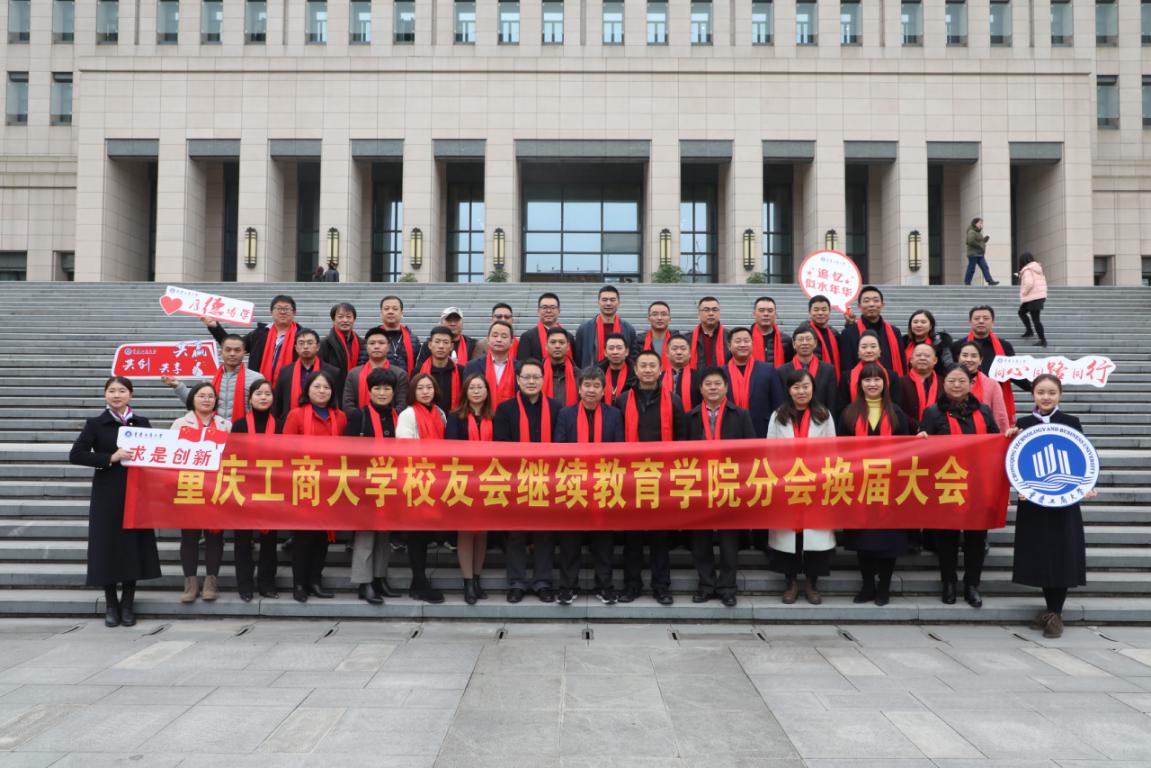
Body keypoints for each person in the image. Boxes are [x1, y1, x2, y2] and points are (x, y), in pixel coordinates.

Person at [70, 376, 161, 628]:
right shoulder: (96, 424)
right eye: (111, 391)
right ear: (105, 395)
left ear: (131, 394)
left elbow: (156, 454)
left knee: (133, 547)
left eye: (122, 390)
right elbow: (76, 454)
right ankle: (111, 604)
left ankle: (128, 604)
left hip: (136, 493)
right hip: (107, 494)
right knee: (107, 548)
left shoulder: (141, 423)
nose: (117, 395)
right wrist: (111, 457)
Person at [1007, 374, 1089, 638]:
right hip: (1033, 501)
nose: (1046, 397)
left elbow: (1082, 458)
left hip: (1063, 500)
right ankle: (1050, 609)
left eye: (1051, 392)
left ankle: (1055, 613)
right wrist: (1009, 439)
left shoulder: (1070, 422)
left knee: (1061, 553)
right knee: (1042, 553)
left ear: (1060, 395)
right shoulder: (1023, 424)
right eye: (1041, 392)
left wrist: (1085, 485)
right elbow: (1015, 461)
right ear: (1033, 394)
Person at [917, 364, 1001, 607]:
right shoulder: (933, 413)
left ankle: (972, 584)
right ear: (944, 384)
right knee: (947, 538)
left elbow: (996, 442)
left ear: (970, 384)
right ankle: (949, 583)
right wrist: (921, 438)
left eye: (961, 381)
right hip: (946, 482)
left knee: (976, 538)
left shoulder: (984, 411)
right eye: (951, 381)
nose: (956, 385)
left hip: (978, 484)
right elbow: (923, 448)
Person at [615, 350, 687, 605]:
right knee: (632, 536)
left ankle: (661, 586)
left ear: (660, 370)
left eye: (652, 366)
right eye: (643, 365)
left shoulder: (674, 401)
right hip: (630, 477)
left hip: (662, 478)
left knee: (660, 537)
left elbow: (681, 439)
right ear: (635, 370)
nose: (647, 370)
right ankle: (631, 585)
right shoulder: (623, 400)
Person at [838, 363, 913, 606]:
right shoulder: (849, 413)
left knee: (888, 539)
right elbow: (840, 450)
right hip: (859, 485)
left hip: (890, 486)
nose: (872, 384)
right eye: (867, 380)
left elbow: (906, 448)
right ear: (860, 384)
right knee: (864, 539)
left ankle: (884, 586)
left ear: (884, 383)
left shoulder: (896, 412)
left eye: (877, 380)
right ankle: (868, 584)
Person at [766, 368, 838, 605]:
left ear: (813, 389)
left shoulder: (824, 415)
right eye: (796, 387)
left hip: (815, 483)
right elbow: (770, 451)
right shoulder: (778, 415)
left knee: (814, 537)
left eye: (806, 387)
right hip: (787, 483)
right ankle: (791, 583)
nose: (801, 391)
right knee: (790, 537)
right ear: (789, 390)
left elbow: (832, 450)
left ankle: (811, 583)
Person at [554, 367, 624, 605]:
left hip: (604, 484)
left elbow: (619, 449)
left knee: (603, 540)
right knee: (570, 540)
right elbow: (559, 447)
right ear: (579, 388)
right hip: (574, 483)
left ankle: (604, 586)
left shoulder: (614, 415)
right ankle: (567, 586)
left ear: (603, 390)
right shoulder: (566, 414)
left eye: (596, 386)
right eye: (587, 385)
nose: (591, 390)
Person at [495, 359, 563, 603]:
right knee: (516, 533)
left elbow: (561, 444)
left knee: (545, 532)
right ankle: (517, 583)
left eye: (536, 377)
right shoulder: (505, 409)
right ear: (518, 379)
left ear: (543, 379)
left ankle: (543, 582)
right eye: (527, 377)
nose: (532, 381)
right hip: (516, 480)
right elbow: (501, 445)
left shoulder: (556, 408)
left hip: (547, 479)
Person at [688, 367, 756, 607]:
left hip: (730, 483)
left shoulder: (741, 415)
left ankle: (727, 587)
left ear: (726, 387)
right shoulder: (691, 416)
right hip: (699, 485)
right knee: (701, 539)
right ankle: (706, 585)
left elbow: (751, 451)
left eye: (718, 383)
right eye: (708, 384)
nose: (713, 388)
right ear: (701, 389)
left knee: (729, 540)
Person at [281, 370, 347, 602]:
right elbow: (286, 450)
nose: (321, 391)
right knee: (303, 537)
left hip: (330, 485)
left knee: (322, 537)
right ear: (307, 389)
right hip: (304, 483)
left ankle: (315, 581)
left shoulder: (340, 417)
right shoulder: (296, 415)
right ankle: (299, 583)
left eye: (326, 387)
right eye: (317, 386)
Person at [344, 367, 403, 605]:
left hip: (390, 484)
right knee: (366, 536)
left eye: (387, 388)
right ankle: (364, 582)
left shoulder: (398, 416)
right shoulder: (359, 416)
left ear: (393, 392)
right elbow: (348, 452)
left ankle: (379, 578)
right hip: (365, 486)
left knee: (384, 535)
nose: (382, 393)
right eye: (377, 388)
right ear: (369, 391)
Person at [170, 383, 230, 603]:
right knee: (189, 536)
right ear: (192, 398)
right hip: (189, 486)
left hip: (216, 487)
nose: (206, 399)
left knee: (215, 537)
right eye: (201, 395)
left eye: (210, 396)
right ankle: (190, 583)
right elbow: (171, 454)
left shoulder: (225, 425)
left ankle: (211, 581)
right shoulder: (180, 424)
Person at [395, 372, 449, 603]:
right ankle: (418, 581)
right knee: (417, 533)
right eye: (420, 388)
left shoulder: (440, 413)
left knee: (425, 532)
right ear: (413, 392)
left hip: (437, 481)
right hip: (416, 480)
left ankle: (418, 582)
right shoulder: (408, 415)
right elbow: (405, 448)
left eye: (429, 387)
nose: (426, 392)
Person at [444, 374, 495, 605]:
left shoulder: (493, 416)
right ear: (465, 391)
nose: (476, 391)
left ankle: (476, 578)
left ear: (487, 392)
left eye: (480, 387)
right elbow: (451, 449)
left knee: (482, 532)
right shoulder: (456, 417)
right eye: (472, 387)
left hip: (488, 480)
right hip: (463, 481)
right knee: (465, 531)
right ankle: (467, 582)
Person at [229, 380, 280, 601]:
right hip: (243, 488)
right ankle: (245, 585)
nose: (263, 397)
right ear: (250, 398)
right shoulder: (240, 425)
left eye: (267, 393)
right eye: (258, 393)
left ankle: (267, 583)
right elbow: (231, 456)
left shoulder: (280, 425)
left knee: (270, 540)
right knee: (242, 540)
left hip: (272, 489)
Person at [161, 334, 265, 423]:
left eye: (237, 350)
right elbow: (195, 402)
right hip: (213, 431)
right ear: (221, 352)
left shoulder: (256, 378)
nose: (232, 354)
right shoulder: (209, 377)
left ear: (244, 353)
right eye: (228, 350)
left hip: (243, 431)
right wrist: (178, 386)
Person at [207, 294, 299, 384]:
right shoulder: (259, 333)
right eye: (278, 308)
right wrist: (215, 327)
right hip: (258, 387)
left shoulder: (301, 336)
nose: (282, 312)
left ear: (294, 312)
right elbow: (232, 344)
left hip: (290, 386)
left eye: (286, 309)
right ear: (271, 312)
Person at [958, 305, 1021, 426]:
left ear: (993, 322)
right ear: (970, 321)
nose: (981, 321)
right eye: (977, 318)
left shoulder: (1005, 346)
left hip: (996, 400)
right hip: (964, 399)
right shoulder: (959, 346)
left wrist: (1034, 384)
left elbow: (1014, 373)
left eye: (986, 318)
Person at [725, 327, 784, 438]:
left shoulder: (768, 370)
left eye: (746, 341)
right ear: (729, 346)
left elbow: (778, 404)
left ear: (752, 344)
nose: (743, 345)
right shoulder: (722, 373)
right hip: (729, 432)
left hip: (762, 431)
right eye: (738, 341)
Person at [271, 328, 340, 422]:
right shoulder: (285, 372)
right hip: (290, 423)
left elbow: (336, 402)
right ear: (296, 348)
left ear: (318, 347)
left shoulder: (332, 372)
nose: (305, 347)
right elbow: (277, 404)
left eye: (310, 343)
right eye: (301, 343)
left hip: (323, 422)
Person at [838, 286, 905, 378]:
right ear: (859, 306)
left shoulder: (895, 332)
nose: (871, 304)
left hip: (891, 383)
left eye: (876, 300)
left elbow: (902, 363)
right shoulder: (848, 334)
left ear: (882, 305)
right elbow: (846, 368)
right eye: (866, 301)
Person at [343, 327, 409, 412]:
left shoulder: (400, 374)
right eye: (372, 343)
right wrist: (363, 417)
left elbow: (402, 405)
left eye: (381, 343)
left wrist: (386, 418)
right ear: (366, 347)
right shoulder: (354, 374)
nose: (376, 346)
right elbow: (348, 404)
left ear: (388, 347)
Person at [781, 324, 839, 417]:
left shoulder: (828, 370)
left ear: (815, 343)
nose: (804, 343)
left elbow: (832, 402)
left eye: (808, 339)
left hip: (821, 419)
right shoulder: (782, 371)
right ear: (794, 344)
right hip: (792, 419)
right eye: (800, 339)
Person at [956, 341, 1010, 432]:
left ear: (980, 360)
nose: (968, 359)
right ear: (958, 358)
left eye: (974, 356)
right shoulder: (949, 383)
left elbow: (1000, 418)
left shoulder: (992, 385)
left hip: (983, 436)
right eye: (965, 355)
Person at [576, 285, 636, 366]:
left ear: (618, 303)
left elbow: (632, 357)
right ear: (598, 303)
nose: (608, 303)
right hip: (592, 373)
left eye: (612, 300)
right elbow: (578, 358)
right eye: (604, 300)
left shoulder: (628, 329)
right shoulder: (584, 329)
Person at [463, 320, 517, 410]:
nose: (499, 339)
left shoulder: (519, 368)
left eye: (504, 336)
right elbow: (466, 396)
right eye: (495, 336)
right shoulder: (472, 366)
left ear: (511, 342)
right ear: (488, 339)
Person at [841, 330, 901, 409]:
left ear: (880, 351)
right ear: (858, 352)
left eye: (873, 346)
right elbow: (842, 409)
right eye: (864, 347)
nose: (869, 351)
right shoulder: (846, 377)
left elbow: (896, 408)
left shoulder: (892, 376)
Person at [417, 325, 465, 412]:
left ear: (451, 346)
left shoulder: (461, 371)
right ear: (430, 345)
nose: (441, 346)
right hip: (425, 417)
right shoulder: (418, 372)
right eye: (437, 342)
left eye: (445, 342)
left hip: (454, 417)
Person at [518, 293, 575, 363]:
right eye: (544, 307)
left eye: (553, 307)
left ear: (559, 311)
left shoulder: (569, 337)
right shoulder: (527, 337)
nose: (548, 311)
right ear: (538, 311)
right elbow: (522, 364)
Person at [320, 302, 362, 398]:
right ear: (333, 320)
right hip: (333, 391)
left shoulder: (362, 343)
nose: (345, 320)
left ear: (354, 320)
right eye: (340, 317)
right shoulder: (325, 344)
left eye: (348, 317)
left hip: (357, 390)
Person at [897, 341, 940, 429]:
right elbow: (897, 410)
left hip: (938, 433)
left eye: (927, 356)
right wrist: (918, 427)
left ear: (935, 360)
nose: (922, 358)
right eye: (918, 355)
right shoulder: (900, 382)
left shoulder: (943, 383)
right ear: (911, 359)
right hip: (908, 433)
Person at [901, 309, 954, 374]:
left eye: (923, 322)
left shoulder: (940, 342)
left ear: (931, 326)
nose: (919, 325)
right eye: (915, 322)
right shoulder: (903, 343)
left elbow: (948, 364)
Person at [377, 294, 421, 372]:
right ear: (381, 314)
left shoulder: (413, 340)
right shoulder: (372, 339)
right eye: (386, 309)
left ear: (402, 313)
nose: (390, 312)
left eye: (395, 309)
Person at [1017, 252, 1048, 347]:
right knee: (1021, 312)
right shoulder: (1036, 268)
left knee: (1035, 319)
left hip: (1033, 297)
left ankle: (1042, 340)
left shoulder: (1027, 270)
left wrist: (1024, 292)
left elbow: (1029, 283)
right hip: (1038, 296)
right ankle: (1029, 331)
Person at [807, 294, 842, 381]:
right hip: (812, 380)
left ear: (829, 312)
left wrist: (850, 324)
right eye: (816, 310)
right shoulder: (804, 335)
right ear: (809, 312)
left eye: (824, 309)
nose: (820, 313)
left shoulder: (834, 334)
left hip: (833, 379)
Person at [751, 296, 793, 367]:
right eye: (761, 310)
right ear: (754, 314)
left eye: (770, 311)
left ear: (775, 315)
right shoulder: (746, 340)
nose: (766, 314)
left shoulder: (786, 341)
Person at [542, 327, 578, 406]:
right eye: (553, 342)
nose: (557, 346)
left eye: (561, 342)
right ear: (546, 346)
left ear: (568, 347)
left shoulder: (579, 375)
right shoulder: (537, 375)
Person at [598, 332, 635, 406]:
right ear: (605, 352)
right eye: (611, 348)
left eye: (619, 348)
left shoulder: (636, 374)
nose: (615, 352)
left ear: (626, 352)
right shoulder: (597, 373)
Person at [665, 333, 701, 409]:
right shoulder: (659, 378)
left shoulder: (699, 377)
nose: (679, 352)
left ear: (690, 353)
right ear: (667, 353)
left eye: (683, 349)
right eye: (674, 349)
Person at [689, 296, 726, 368]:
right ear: (698, 314)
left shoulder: (730, 338)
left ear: (719, 313)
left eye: (715, 310)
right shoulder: (688, 339)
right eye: (706, 310)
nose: (711, 313)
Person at [964, 217, 999, 285]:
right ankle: (967, 282)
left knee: (985, 267)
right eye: (980, 223)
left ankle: (990, 281)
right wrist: (980, 246)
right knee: (971, 268)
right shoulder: (971, 232)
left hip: (979, 254)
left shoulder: (978, 233)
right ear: (975, 224)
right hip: (973, 254)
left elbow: (978, 242)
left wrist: (984, 240)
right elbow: (970, 241)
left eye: (981, 223)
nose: (981, 225)